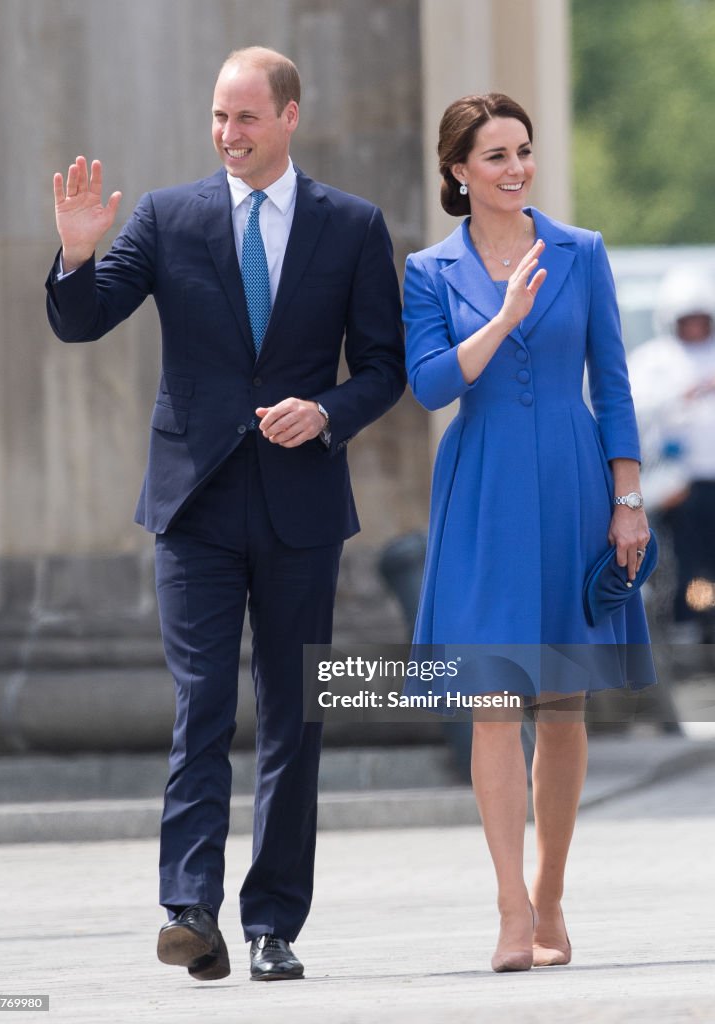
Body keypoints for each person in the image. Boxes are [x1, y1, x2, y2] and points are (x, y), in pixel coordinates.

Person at [46, 46, 405, 982]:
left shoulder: (352, 225)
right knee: (201, 703)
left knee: (295, 717)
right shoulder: (169, 217)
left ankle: (273, 923)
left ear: (290, 116)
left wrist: (326, 411)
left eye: (246, 117)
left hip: (301, 504)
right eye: (217, 117)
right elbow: (83, 321)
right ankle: (189, 908)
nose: (227, 134)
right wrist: (78, 253)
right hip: (194, 504)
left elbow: (383, 365)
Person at [403, 93, 653, 972]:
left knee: (562, 704)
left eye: (522, 151)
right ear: (457, 172)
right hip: (481, 492)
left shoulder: (581, 252)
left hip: (574, 487)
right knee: (492, 703)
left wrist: (626, 497)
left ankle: (549, 896)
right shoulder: (427, 270)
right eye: (495, 156)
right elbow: (431, 385)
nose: (514, 169)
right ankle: (510, 910)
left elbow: (612, 381)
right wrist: (503, 317)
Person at [627, 266, 715, 641]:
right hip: (680, 481)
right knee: (692, 558)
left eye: (700, 319)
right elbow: (635, 409)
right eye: (687, 319)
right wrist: (683, 395)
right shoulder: (654, 359)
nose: (694, 327)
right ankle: (694, 622)